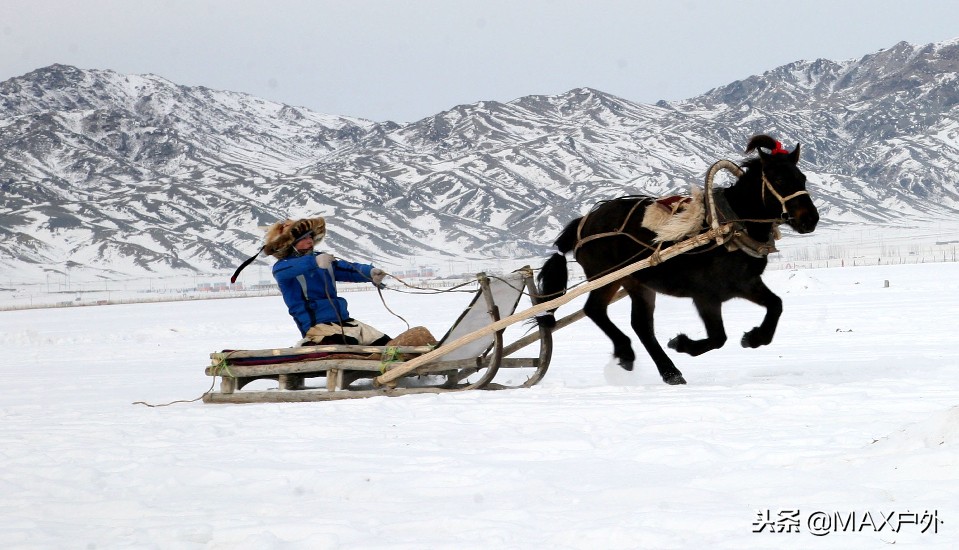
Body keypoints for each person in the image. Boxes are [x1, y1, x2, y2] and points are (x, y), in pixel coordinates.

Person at [261, 217, 392, 346]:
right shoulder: (283, 267)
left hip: (344, 321)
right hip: (317, 327)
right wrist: (314, 262)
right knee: (345, 344)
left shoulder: (323, 260)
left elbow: (348, 270)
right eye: (303, 238)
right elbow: (288, 269)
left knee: (385, 343)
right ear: (291, 243)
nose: (310, 240)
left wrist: (370, 272)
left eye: (310, 236)